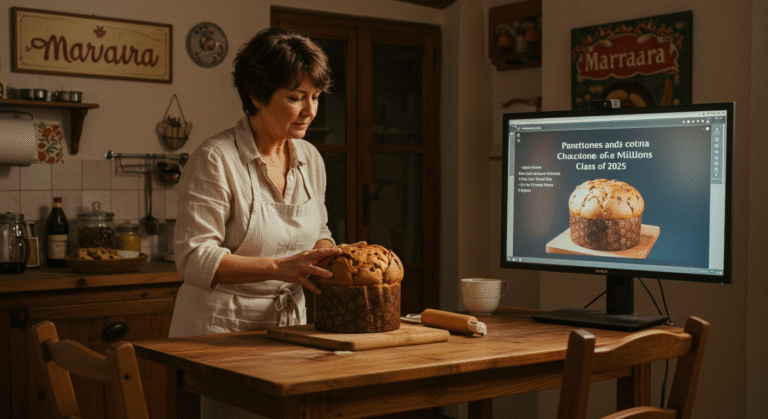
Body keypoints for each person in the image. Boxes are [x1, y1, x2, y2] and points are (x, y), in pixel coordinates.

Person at [169, 27, 342, 418]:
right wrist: (283, 268)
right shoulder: (216, 159)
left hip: (289, 333)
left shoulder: (310, 158)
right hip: (218, 337)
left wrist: (331, 256)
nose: (310, 111)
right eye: (296, 98)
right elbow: (195, 259)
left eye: (315, 97)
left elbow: (319, 231)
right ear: (256, 96)